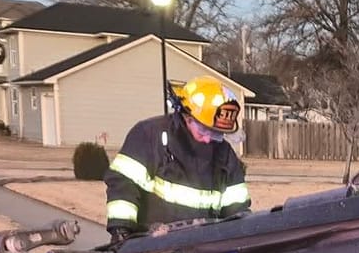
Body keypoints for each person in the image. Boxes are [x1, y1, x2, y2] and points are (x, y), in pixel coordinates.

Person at [104, 76, 251, 240]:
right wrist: (121, 229)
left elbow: (238, 211)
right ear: (187, 117)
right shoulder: (149, 136)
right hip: (151, 247)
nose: (209, 139)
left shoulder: (225, 155)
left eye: (216, 134)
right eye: (203, 131)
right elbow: (123, 184)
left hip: (203, 251)